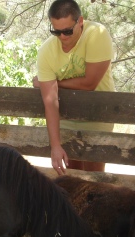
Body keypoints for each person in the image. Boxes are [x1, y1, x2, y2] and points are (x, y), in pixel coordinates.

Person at [33, 0, 115, 175]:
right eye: (56, 31)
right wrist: (55, 146)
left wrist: (54, 84)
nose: (62, 36)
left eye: (68, 31)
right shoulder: (46, 51)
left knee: (94, 176)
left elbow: (89, 83)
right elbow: (50, 102)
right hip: (66, 117)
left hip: (99, 114)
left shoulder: (97, 34)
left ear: (80, 22)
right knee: (73, 176)